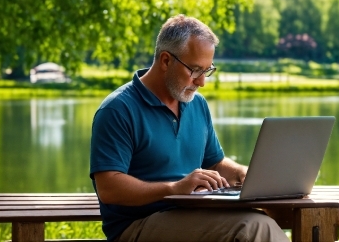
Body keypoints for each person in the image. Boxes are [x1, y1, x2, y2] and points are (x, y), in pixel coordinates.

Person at [89, 14, 289, 242]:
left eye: (207, 70)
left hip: (193, 215)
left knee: (259, 219)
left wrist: (245, 174)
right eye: (195, 70)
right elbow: (109, 188)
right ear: (166, 61)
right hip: (137, 226)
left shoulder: (196, 104)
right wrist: (174, 188)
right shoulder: (118, 110)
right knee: (252, 228)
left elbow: (214, 162)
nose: (201, 82)